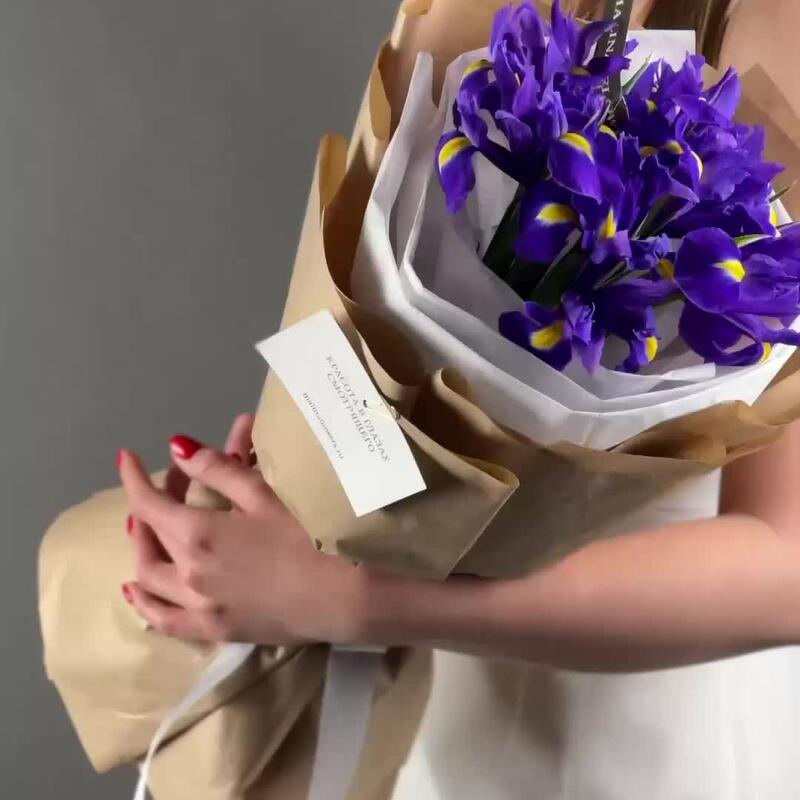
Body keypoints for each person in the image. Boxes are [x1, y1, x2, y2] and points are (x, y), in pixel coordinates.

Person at [116, 2, 800, 797]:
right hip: (450, 697)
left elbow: (786, 567)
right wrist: (301, 496)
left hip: (637, 741)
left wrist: (352, 597)